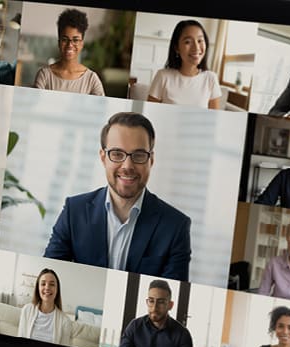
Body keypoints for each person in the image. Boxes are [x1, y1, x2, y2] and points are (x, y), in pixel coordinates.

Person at [43, 112, 192, 281]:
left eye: (139, 155)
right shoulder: (74, 211)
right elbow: (49, 275)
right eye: (117, 154)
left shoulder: (176, 226)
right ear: (103, 157)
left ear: (151, 160)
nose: (127, 165)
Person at [117, 280, 194, 347]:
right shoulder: (135, 326)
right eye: (151, 301)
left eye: (161, 302)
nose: (154, 308)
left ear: (170, 305)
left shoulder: (182, 335)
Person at [147, 20, 222, 109]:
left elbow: (214, 118)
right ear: (177, 48)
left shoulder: (211, 78)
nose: (196, 47)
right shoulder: (163, 76)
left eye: (200, 40)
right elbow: (149, 113)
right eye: (188, 42)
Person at [33, 9, 105, 96]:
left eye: (75, 40)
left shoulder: (91, 79)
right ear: (59, 42)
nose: (70, 45)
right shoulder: (44, 75)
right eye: (65, 39)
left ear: (82, 44)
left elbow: (101, 108)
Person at [17, 268, 74, 345]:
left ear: (57, 290)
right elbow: (20, 343)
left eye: (52, 284)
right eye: (43, 284)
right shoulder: (27, 310)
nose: (47, 287)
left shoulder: (65, 322)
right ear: (38, 288)